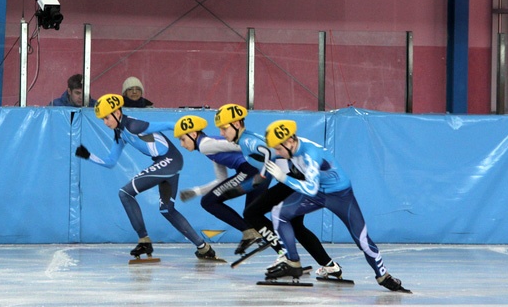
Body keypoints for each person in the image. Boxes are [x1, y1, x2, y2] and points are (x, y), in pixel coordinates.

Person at [261, 119, 411, 291]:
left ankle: (383, 276)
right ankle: (293, 262)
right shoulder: (290, 148)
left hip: (340, 196)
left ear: (289, 141)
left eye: (278, 148)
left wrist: (283, 178)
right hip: (319, 192)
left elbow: (310, 188)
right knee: (279, 213)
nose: (277, 152)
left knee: (362, 239)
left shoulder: (310, 154)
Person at [74, 93, 217, 261]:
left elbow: (169, 125)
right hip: (169, 161)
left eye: (106, 118)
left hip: (169, 161)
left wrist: (197, 137)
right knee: (167, 210)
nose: (105, 123)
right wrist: (88, 155)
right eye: (102, 120)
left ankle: (144, 240)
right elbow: (111, 161)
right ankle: (204, 248)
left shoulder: (133, 126)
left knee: (125, 193)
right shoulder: (120, 133)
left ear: (117, 113)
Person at [213, 103, 340, 280]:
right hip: (297, 177)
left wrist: (264, 172)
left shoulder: (247, 141)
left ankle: (285, 254)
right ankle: (330, 266)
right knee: (296, 225)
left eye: (224, 128)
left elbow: (266, 151)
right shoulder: (245, 139)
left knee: (251, 213)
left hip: (295, 179)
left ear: (236, 124)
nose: (221, 133)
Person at [174, 114, 264, 255]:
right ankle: (283, 251)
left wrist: (263, 150)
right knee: (252, 215)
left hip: (250, 170)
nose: (182, 144)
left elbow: (238, 144)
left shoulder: (205, 145)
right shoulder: (209, 147)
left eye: (183, 139)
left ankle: (249, 233)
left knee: (208, 202)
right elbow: (221, 180)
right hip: (256, 170)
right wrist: (196, 191)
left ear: (192, 134)